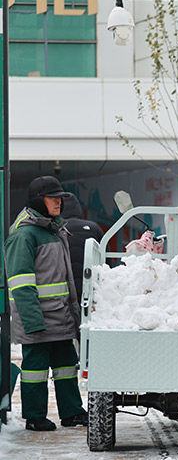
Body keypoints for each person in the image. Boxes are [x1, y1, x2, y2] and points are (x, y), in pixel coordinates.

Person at [6, 176, 87, 431]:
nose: (58, 203)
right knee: (35, 370)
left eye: (60, 199)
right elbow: (20, 283)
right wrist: (32, 321)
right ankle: (34, 416)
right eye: (53, 198)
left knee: (66, 366)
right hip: (39, 319)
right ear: (38, 201)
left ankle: (72, 413)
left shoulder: (53, 229)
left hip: (59, 316)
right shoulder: (24, 235)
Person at [60, 193, 104, 304]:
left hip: (65, 291)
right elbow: (105, 260)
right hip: (90, 287)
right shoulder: (94, 228)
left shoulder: (57, 230)